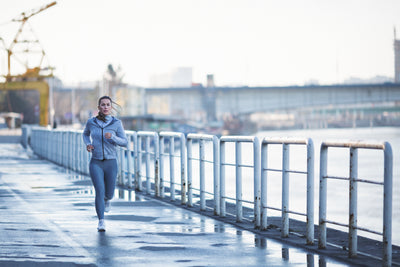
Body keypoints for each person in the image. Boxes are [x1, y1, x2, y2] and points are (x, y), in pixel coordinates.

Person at [82, 95, 128, 232]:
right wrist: (88, 144)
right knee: (99, 191)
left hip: (111, 162)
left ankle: (107, 200)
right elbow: (85, 134)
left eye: (108, 104)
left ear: (111, 107)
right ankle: (101, 221)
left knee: (109, 193)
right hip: (95, 162)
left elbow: (124, 142)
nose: (105, 107)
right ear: (99, 108)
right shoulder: (91, 122)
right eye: (103, 105)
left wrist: (113, 137)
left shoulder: (116, 123)